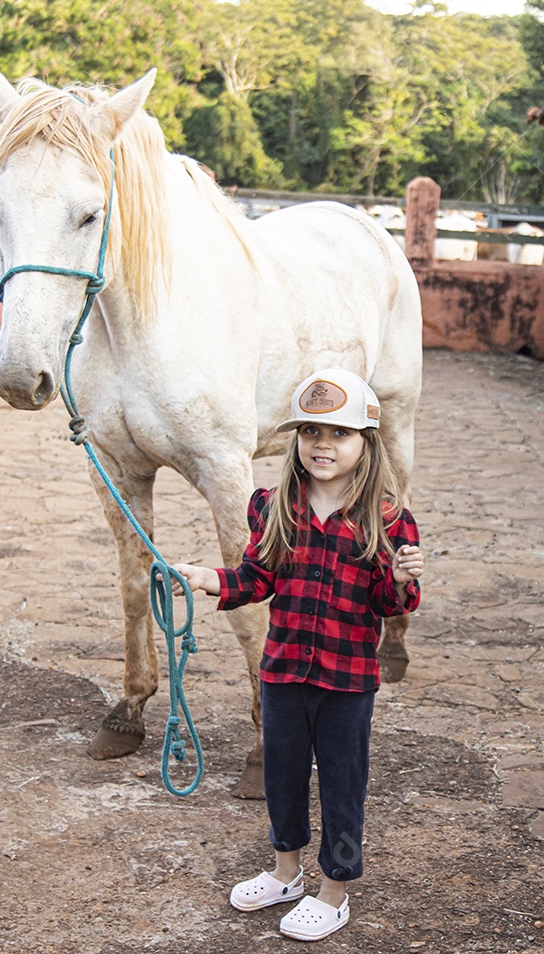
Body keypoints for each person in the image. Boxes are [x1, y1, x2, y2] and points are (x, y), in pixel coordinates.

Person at [174, 368, 424, 942]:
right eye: (310, 432)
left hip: (346, 681)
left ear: (367, 442)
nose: (322, 445)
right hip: (283, 670)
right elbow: (257, 577)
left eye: (339, 434)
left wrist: (403, 578)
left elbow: (389, 602)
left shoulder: (387, 520)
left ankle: (333, 891)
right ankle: (286, 872)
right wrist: (207, 579)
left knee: (342, 781)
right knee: (282, 775)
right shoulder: (273, 505)